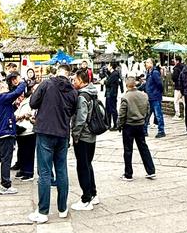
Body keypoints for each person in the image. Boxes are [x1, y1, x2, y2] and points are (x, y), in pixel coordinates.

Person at [28, 64, 78, 223]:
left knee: (44, 172)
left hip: (45, 130)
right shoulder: (73, 91)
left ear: (57, 72)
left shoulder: (46, 84)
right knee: (62, 170)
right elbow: (72, 111)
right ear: (69, 74)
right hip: (62, 133)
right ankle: (62, 208)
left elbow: (33, 103)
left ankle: (43, 211)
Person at [0, 73, 27, 195]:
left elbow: (5, 110)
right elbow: (17, 92)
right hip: (5, 132)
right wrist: (22, 82)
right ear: (1, 88)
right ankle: (5, 185)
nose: (7, 89)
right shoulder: (2, 97)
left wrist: (14, 106)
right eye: (5, 87)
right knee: (6, 159)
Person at [71, 68, 100, 211]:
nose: (73, 82)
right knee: (88, 164)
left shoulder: (82, 96)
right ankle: (93, 193)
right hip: (92, 135)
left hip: (83, 136)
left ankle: (86, 199)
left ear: (81, 81)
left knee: (82, 166)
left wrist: (75, 134)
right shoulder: (92, 93)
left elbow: (81, 119)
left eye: (75, 80)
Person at [118, 76, 155, 180]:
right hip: (140, 124)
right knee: (143, 147)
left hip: (128, 125)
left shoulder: (126, 97)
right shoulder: (144, 95)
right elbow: (148, 110)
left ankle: (128, 174)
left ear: (126, 85)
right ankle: (151, 170)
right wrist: (144, 120)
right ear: (135, 84)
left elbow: (122, 114)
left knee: (128, 150)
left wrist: (120, 125)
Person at [14, 95, 36, 180]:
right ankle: (23, 170)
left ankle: (28, 172)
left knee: (28, 152)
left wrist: (29, 117)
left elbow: (33, 114)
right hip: (21, 129)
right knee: (22, 151)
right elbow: (16, 114)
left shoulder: (33, 101)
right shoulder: (23, 102)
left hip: (29, 130)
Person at [144, 58, 165, 138]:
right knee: (147, 115)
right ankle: (144, 131)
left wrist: (157, 92)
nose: (146, 64)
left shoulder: (155, 72)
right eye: (146, 62)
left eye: (148, 62)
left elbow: (160, 84)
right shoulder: (148, 72)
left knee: (158, 115)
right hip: (149, 97)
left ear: (152, 64)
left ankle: (161, 131)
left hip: (155, 97)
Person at [103, 61, 123, 130]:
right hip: (108, 93)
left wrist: (104, 82)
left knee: (113, 109)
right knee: (108, 109)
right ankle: (108, 124)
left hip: (112, 94)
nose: (107, 67)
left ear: (111, 66)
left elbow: (109, 82)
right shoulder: (111, 73)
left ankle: (115, 124)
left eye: (108, 65)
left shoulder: (115, 74)